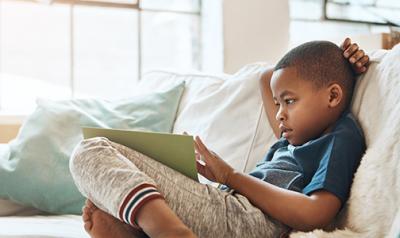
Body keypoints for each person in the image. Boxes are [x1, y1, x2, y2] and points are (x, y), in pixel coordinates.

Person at [69, 37, 369, 238]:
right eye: (277, 104)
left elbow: (316, 213)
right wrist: (342, 62)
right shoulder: (292, 138)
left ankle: (171, 232)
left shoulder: (339, 135)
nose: (279, 114)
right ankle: (140, 226)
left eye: (289, 102)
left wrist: (230, 175)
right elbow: (267, 77)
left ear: (332, 96)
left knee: (90, 151)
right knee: (109, 189)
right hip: (226, 205)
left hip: (243, 217)